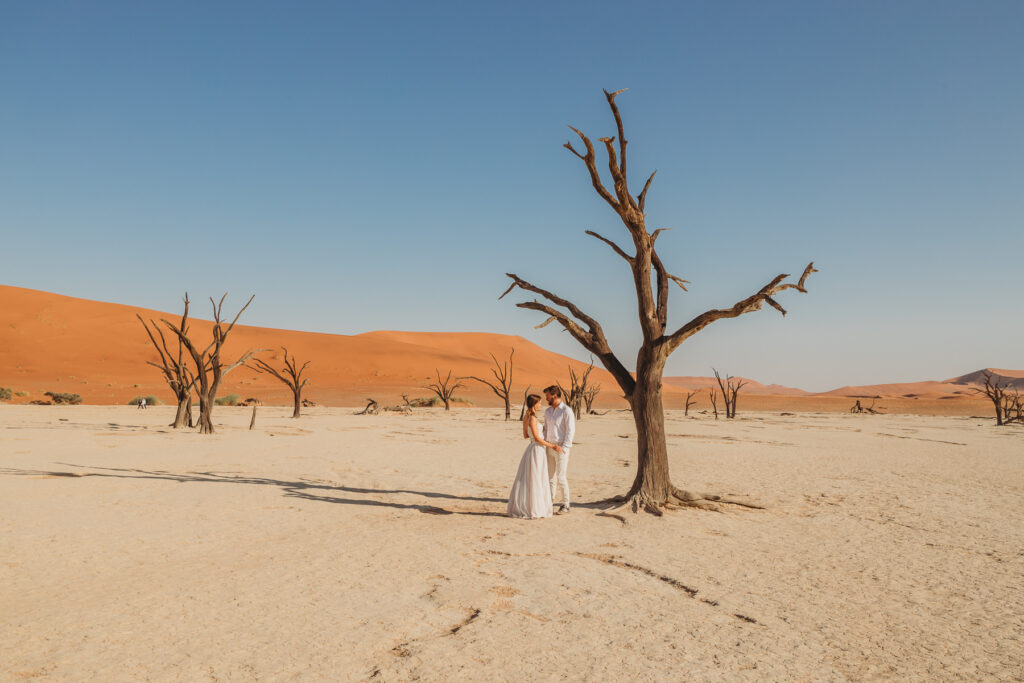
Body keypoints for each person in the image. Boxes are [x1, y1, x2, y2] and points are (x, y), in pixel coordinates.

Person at [507, 394, 559, 519]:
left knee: (529, 477)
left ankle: (529, 506)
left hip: (531, 449)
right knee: (536, 477)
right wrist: (552, 446)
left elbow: (525, 435)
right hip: (537, 450)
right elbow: (536, 438)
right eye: (539, 403)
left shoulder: (526, 417)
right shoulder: (533, 419)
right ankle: (534, 508)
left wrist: (541, 431)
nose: (540, 405)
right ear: (534, 403)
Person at [543, 385, 575, 514]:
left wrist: (565, 447)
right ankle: (549, 502)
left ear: (554, 396)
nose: (546, 398)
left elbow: (570, 430)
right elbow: (546, 429)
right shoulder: (548, 411)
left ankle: (566, 504)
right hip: (549, 446)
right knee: (550, 477)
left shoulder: (566, 411)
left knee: (561, 477)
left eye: (547, 396)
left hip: (561, 447)